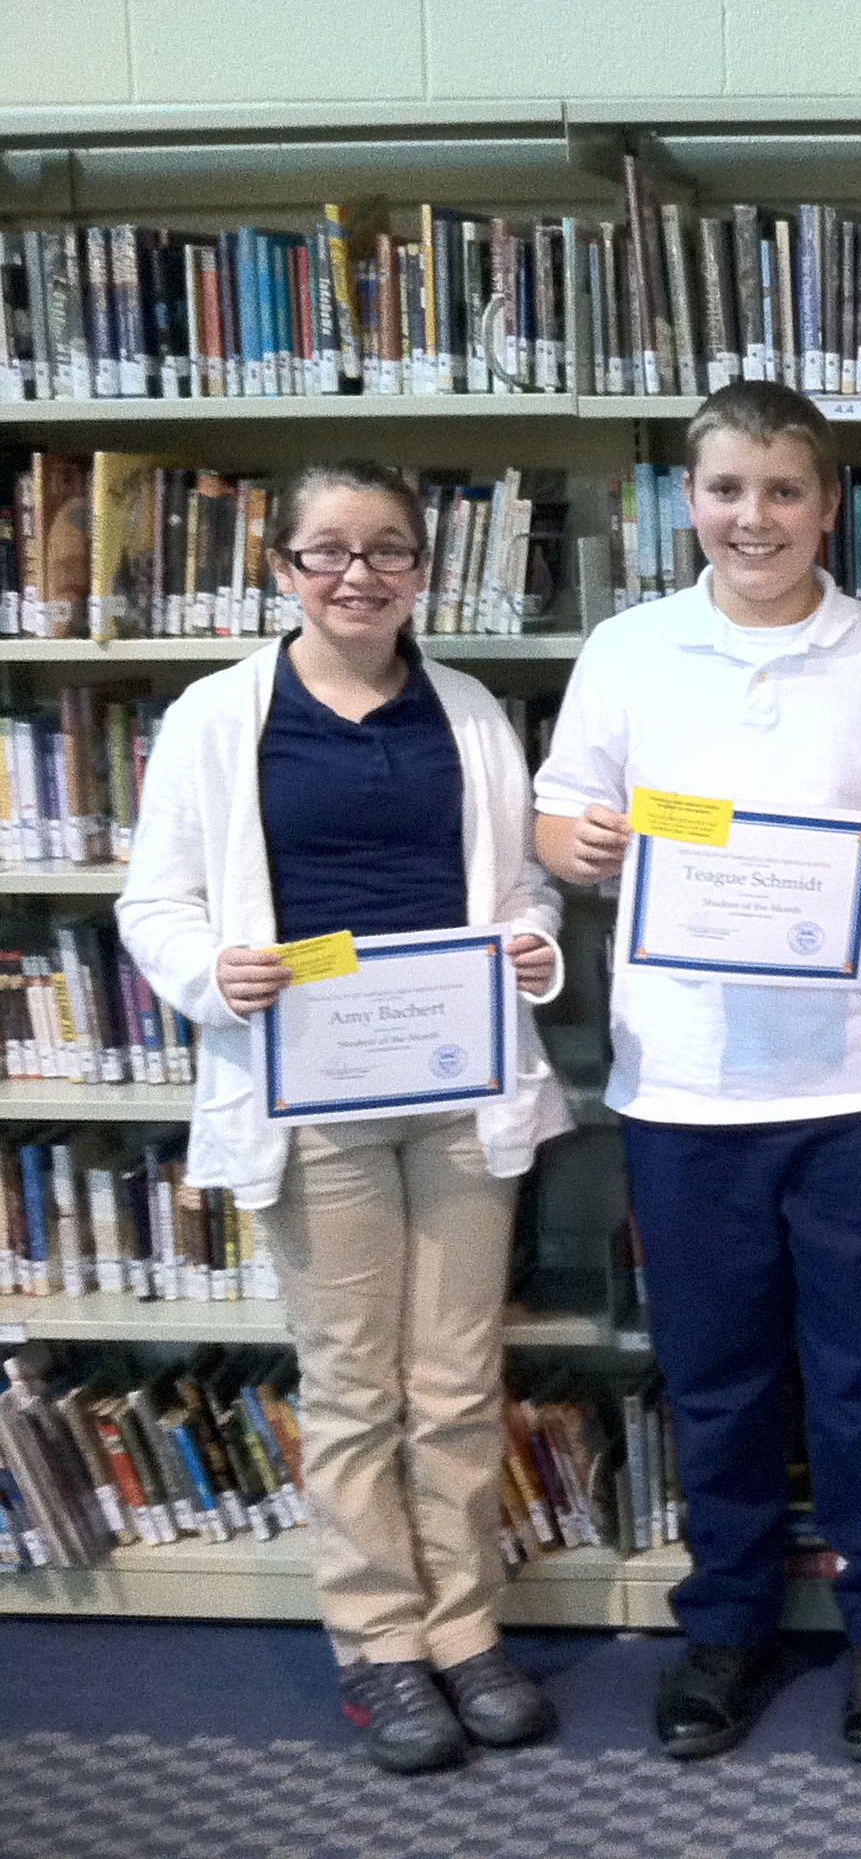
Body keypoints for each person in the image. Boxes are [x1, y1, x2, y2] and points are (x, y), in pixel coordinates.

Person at [532, 379, 861, 1767]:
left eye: (783, 490)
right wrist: (575, 846)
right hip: (685, 1084)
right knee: (714, 1373)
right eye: (727, 489)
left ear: (828, 505)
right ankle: (727, 1622)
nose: (754, 517)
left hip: (856, 1080)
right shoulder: (629, 649)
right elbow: (556, 813)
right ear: (689, 499)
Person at [118, 458, 573, 1774]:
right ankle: (382, 1644)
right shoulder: (218, 718)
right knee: (353, 1383)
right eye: (327, 550)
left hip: (459, 1083)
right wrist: (214, 973)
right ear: (282, 568)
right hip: (311, 1093)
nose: (358, 574)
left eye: (387, 550)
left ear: (423, 569)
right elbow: (154, 901)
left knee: (456, 1378)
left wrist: (532, 942)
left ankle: (466, 1629)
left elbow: (522, 885)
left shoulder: (470, 712)